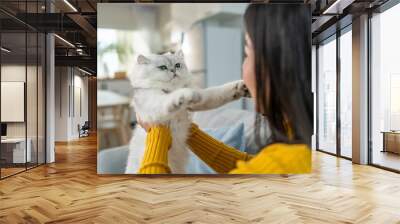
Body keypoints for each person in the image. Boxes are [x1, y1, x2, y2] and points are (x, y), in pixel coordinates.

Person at [136, 3, 313, 174]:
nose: (242, 66)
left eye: (247, 53)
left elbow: (150, 199)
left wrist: (157, 130)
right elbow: (250, 166)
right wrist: (187, 129)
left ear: (279, 64)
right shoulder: (298, 144)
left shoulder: (286, 161)